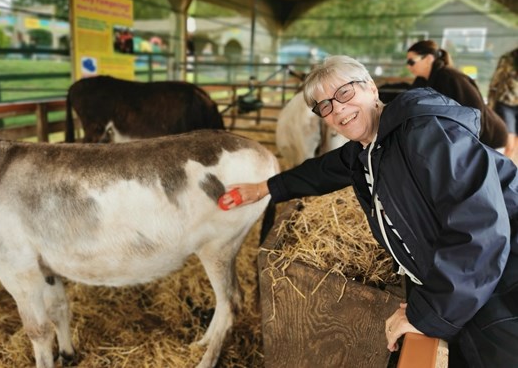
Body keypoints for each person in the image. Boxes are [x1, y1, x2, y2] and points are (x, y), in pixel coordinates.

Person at [220, 55, 518, 368]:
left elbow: (481, 227)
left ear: (371, 89)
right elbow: (322, 170)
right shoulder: (371, 147)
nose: (338, 110)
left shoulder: (425, 132)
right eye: (325, 106)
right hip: (470, 283)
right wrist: (265, 188)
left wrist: (431, 313)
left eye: (344, 94)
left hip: (503, 283)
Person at [406, 40, 507, 150]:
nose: (408, 66)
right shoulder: (422, 81)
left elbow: (475, 111)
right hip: (464, 139)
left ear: (428, 59)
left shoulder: (451, 78)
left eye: (411, 61)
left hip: (488, 139)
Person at [488, 48, 518, 158]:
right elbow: (495, 83)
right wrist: (490, 106)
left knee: (515, 145)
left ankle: (508, 170)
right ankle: (502, 170)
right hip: (506, 104)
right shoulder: (508, 59)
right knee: (508, 142)